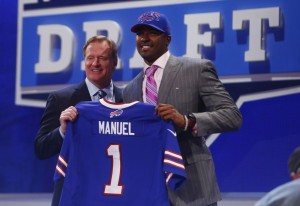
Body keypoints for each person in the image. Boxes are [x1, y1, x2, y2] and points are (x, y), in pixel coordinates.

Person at [123, 11, 242, 206]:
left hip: (193, 191)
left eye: (152, 32)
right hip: (149, 192)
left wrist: (187, 121)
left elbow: (232, 116)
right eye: (139, 33)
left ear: (167, 39)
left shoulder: (197, 69)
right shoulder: (130, 90)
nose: (144, 38)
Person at [34, 35, 123, 206]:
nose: (95, 63)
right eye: (90, 58)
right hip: (75, 195)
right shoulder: (61, 99)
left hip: (117, 195)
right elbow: (41, 148)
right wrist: (62, 131)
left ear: (114, 62)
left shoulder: (128, 98)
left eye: (102, 58)